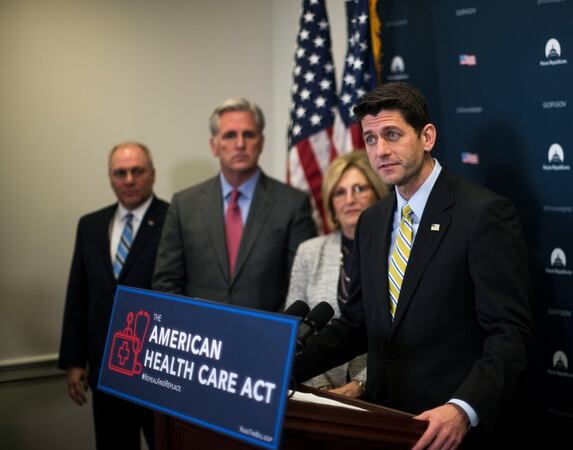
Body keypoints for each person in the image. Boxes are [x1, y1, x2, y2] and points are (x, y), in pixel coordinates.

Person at [293, 82, 533, 449]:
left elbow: (509, 334)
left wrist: (462, 409)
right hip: (382, 424)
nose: (381, 150)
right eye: (370, 139)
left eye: (392, 134)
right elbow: (357, 324)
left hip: (449, 431)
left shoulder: (481, 214)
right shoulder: (372, 221)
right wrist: (283, 370)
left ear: (427, 137)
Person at [152, 97, 316, 311]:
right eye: (230, 135)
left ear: (261, 142)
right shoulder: (184, 205)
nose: (240, 144)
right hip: (200, 336)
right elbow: (166, 283)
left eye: (248, 134)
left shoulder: (293, 204)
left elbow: (300, 284)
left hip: (265, 336)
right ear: (214, 145)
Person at [58, 141, 168, 450]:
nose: (129, 180)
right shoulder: (90, 225)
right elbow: (77, 295)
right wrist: (74, 360)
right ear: (110, 177)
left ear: (153, 174)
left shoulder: (174, 220)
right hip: (107, 366)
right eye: (121, 173)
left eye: (137, 171)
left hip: (158, 368)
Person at [285, 151, 388, 397]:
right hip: (311, 390)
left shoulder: (395, 251)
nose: (349, 199)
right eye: (340, 192)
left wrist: (359, 385)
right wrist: (320, 388)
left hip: (379, 391)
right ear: (331, 202)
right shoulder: (310, 251)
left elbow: (399, 334)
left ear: (377, 193)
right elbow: (292, 329)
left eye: (359, 189)